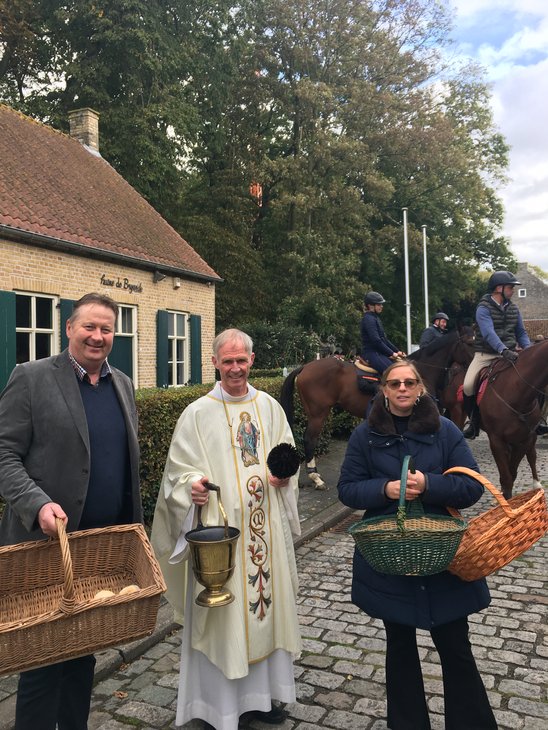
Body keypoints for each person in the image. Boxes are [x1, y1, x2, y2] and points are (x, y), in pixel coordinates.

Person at [0, 292, 141, 730]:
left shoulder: (122, 383)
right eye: (89, 327)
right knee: (42, 663)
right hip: (46, 546)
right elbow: (4, 453)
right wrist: (37, 504)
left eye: (106, 330)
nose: (97, 337)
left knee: (83, 655)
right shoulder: (32, 377)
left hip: (100, 551)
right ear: (69, 329)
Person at [151, 328, 302, 730]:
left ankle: (261, 698)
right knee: (223, 621)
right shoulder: (196, 414)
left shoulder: (270, 408)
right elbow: (176, 477)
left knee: (266, 614)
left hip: (264, 529)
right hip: (220, 537)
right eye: (228, 360)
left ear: (252, 361)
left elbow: (288, 458)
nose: (235, 368)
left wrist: (285, 478)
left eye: (242, 360)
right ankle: (217, 708)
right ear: (215, 362)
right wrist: (192, 488)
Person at [338, 360, 497, 730]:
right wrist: (385, 489)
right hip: (389, 556)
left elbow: (472, 486)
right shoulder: (365, 435)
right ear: (384, 389)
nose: (403, 388)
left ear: (420, 387)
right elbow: (347, 488)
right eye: (395, 383)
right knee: (400, 650)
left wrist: (429, 484)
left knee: (456, 648)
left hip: (442, 556)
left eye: (410, 382)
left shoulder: (445, 432)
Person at [462, 271, 531, 439]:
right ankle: (474, 422)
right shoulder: (483, 308)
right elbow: (488, 333)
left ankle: (535, 421)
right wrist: (503, 350)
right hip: (486, 354)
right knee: (468, 385)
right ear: (498, 288)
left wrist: (528, 350)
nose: (513, 290)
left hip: (510, 354)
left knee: (532, 379)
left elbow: (521, 332)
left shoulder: (514, 308)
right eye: (510, 287)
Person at [360, 291, 406, 373]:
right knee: (393, 372)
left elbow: (384, 339)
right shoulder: (368, 319)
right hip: (371, 353)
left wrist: (397, 351)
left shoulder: (375, 318)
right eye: (378, 304)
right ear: (370, 305)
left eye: (381, 304)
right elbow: (376, 341)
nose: (381, 306)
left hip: (379, 353)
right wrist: (392, 353)